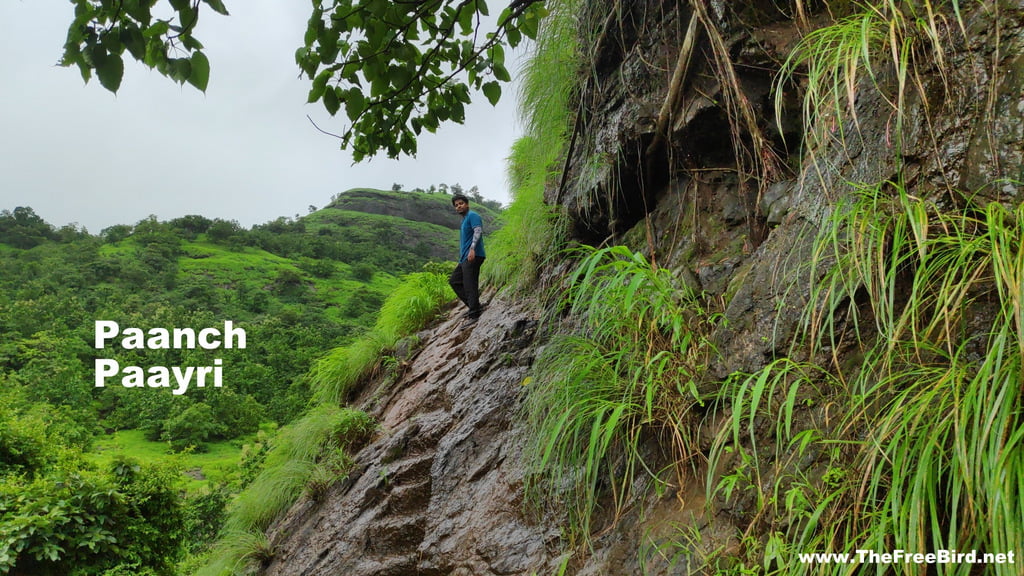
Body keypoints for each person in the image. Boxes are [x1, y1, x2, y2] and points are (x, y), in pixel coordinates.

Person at [448, 194, 486, 319]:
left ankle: (474, 314)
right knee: (454, 281)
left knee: (470, 285)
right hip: (465, 257)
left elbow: (478, 231)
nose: (459, 206)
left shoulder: (472, 216)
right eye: (456, 205)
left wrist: (472, 249)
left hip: (473, 255)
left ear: (467, 204)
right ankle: (473, 306)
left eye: (461, 203)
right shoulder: (464, 220)